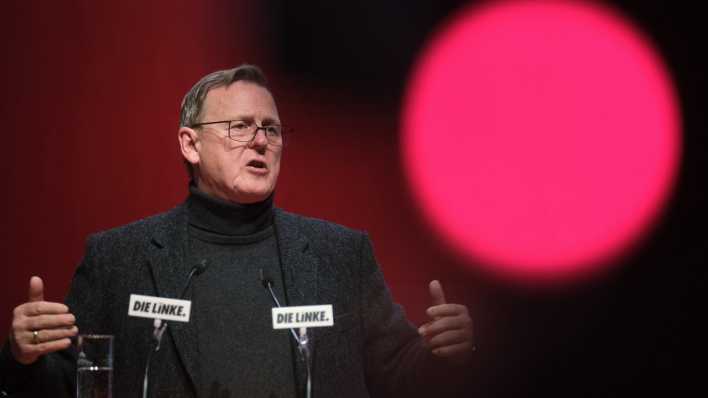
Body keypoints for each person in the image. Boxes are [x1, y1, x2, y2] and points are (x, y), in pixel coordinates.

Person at [1, 65, 475, 397]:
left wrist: (444, 357)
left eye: (272, 128)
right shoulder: (118, 258)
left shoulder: (340, 255)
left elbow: (400, 378)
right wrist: (23, 358)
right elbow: (68, 385)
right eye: (239, 126)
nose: (261, 141)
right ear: (190, 143)